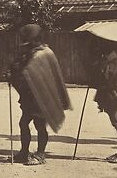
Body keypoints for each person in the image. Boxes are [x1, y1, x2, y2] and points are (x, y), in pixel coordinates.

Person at [7, 23, 71, 166]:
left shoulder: (45, 53)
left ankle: (41, 154)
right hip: (29, 97)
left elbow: (45, 76)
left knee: (40, 125)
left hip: (42, 96)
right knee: (23, 123)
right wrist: (12, 73)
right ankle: (24, 152)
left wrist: (22, 73)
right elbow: (21, 70)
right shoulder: (29, 52)